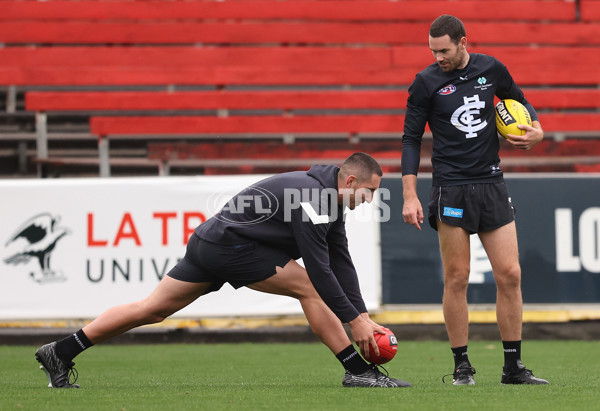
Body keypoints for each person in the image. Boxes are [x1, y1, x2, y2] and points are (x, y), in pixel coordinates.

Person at [35, 152, 412, 389]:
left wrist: (361, 315)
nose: (370, 200)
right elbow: (319, 269)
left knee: (152, 309)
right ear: (350, 181)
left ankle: (61, 351)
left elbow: (340, 261)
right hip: (230, 246)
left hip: (212, 242)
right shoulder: (315, 199)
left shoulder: (330, 200)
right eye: (370, 192)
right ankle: (356, 370)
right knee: (311, 287)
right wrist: (354, 323)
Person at [401, 15, 548, 385]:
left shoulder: (491, 68)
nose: (438, 58)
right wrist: (409, 195)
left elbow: (518, 100)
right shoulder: (425, 83)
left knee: (510, 275)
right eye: (432, 51)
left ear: (463, 42)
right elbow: (411, 140)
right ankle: (461, 366)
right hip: (450, 187)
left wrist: (538, 129)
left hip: (491, 183)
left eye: (444, 50)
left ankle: (512, 368)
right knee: (457, 277)